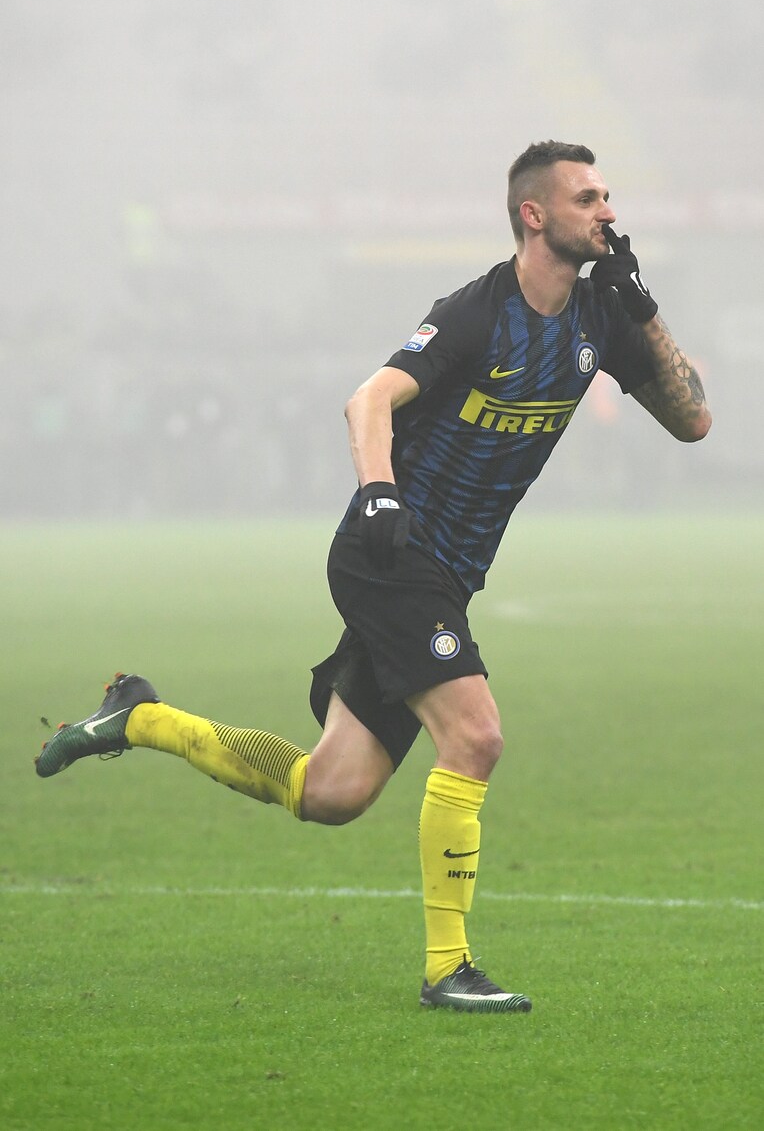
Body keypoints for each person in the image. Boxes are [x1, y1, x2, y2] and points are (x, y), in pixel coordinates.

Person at [35, 141, 711, 1014]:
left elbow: (693, 420)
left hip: (447, 575)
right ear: (534, 214)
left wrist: (645, 311)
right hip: (392, 552)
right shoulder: (477, 311)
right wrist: (378, 493)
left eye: (608, 195)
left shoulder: (603, 319)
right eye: (588, 198)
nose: (608, 211)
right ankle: (448, 969)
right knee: (476, 736)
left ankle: (139, 716)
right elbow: (368, 400)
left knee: (332, 792)